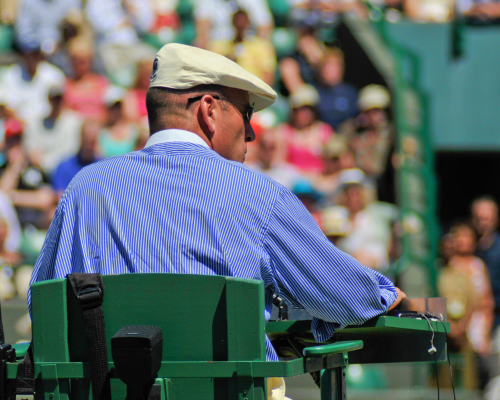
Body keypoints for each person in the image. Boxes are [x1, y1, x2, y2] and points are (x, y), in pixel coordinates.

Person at [30, 43, 405, 397]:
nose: (253, 132)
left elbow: (42, 305)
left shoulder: (84, 190)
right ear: (209, 111)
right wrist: (389, 295)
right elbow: (346, 297)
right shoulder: (259, 195)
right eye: (246, 114)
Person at [274, 84, 334, 177]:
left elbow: (332, 162)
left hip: (319, 180)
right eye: (301, 109)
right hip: (292, 180)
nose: (305, 113)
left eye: (309, 109)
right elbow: (278, 162)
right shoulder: (284, 131)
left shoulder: (324, 131)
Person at [208, 9, 277, 86]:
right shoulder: (222, 47)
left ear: (248, 23)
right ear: (232, 23)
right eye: (237, 21)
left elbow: (268, 77)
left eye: (243, 21)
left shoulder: (262, 46)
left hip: (254, 90)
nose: (240, 25)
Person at [23, 85, 83, 173]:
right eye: (54, 99)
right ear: (48, 100)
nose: (57, 102)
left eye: (59, 99)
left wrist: (46, 161)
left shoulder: (75, 122)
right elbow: (34, 157)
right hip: (43, 172)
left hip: (67, 172)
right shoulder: (35, 124)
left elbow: (73, 153)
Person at [63, 36, 110, 123]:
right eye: (77, 61)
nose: (80, 65)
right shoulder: (66, 85)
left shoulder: (102, 83)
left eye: (83, 61)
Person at [52, 120, 101, 199]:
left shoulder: (105, 168)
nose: (89, 146)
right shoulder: (64, 167)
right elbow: (61, 199)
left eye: (92, 142)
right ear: (80, 138)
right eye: (86, 140)